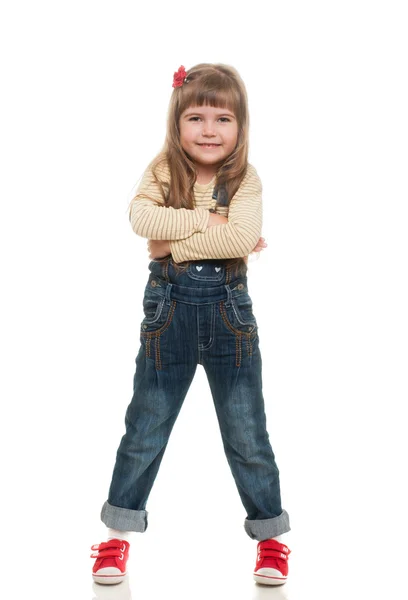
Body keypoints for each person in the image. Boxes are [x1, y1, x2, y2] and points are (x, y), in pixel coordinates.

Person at [91, 63, 291, 587]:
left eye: (223, 118)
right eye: (196, 117)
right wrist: (211, 223)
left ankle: (270, 538)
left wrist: (169, 244)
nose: (208, 130)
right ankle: (115, 537)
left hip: (230, 316)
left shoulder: (245, 179)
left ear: (241, 127)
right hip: (168, 314)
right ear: (176, 122)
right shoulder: (162, 170)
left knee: (247, 431)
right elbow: (141, 221)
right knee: (146, 426)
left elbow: (237, 238)